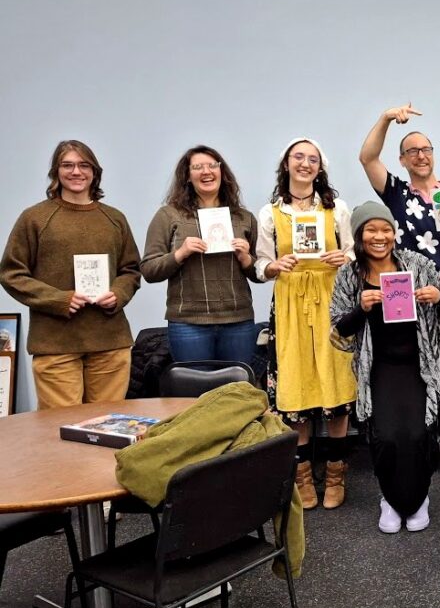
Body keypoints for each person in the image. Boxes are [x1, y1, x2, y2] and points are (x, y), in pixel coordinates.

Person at [359, 103, 440, 477]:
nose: (421, 155)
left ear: (434, 155)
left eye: (426, 149)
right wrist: (386, 119)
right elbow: (367, 156)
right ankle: (421, 442)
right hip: (409, 293)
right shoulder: (397, 193)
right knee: (416, 368)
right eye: (412, 151)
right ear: (401, 160)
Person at [331, 202, 440, 533]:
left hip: (420, 364)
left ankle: (418, 499)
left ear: (394, 233)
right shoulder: (349, 275)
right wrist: (361, 309)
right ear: (358, 235)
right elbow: (339, 328)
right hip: (379, 367)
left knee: (418, 434)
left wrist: (437, 295)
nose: (379, 236)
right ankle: (390, 499)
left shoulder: (417, 263)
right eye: (371, 230)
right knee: (385, 437)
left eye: (385, 229)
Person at [255, 138, 357, 511]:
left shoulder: (336, 208)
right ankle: (301, 475)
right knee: (295, 386)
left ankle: (335, 471)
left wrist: (342, 257)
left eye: (312, 159)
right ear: (286, 164)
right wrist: (273, 266)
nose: (305, 164)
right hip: (290, 303)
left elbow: (354, 251)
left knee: (335, 383)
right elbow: (259, 263)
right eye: (298, 157)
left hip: (330, 299)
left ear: (320, 167)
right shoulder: (270, 213)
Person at [0, 139, 141, 408]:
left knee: (109, 426)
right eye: (68, 165)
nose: (76, 172)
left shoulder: (115, 218)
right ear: (56, 172)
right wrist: (58, 299)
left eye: (83, 165)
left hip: (110, 342)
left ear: (94, 172)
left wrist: (119, 293)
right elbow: (11, 273)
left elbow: (131, 270)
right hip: (55, 344)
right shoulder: (35, 218)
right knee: (61, 430)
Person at [141, 145, 260, 364]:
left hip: (238, 321)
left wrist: (246, 259)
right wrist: (180, 253)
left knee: (239, 393)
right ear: (187, 176)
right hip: (188, 323)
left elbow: (260, 273)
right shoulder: (168, 215)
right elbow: (149, 269)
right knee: (193, 395)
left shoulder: (244, 217)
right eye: (197, 167)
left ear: (222, 172)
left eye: (212, 165)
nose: (206, 171)